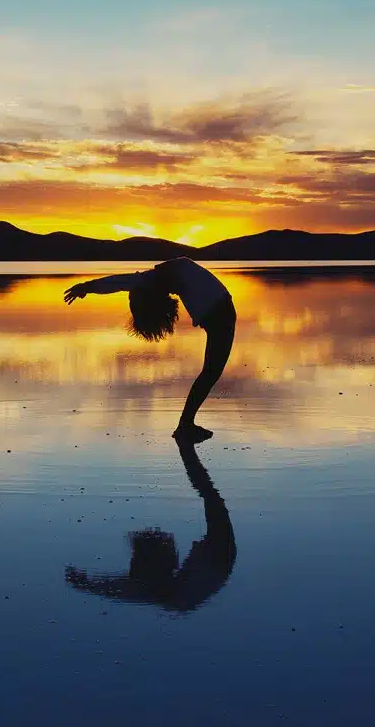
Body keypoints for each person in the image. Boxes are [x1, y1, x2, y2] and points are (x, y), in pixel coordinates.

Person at [64, 257, 236, 443]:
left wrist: (87, 287)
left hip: (220, 313)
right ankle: (185, 425)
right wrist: (87, 287)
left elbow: (120, 282)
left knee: (210, 373)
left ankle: (186, 425)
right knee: (210, 373)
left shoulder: (156, 277)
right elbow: (120, 282)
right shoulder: (163, 275)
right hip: (219, 314)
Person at [65, 438, 237, 612]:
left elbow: (123, 590)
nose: (132, 564)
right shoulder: (168, 593)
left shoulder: (163, 592)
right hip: (216, 563)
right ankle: (186, 445)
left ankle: (186, 445)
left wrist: (88, 585)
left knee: (210, 494)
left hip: (215, 565)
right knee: (210, 495)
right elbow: (124, 590)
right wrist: (88, 585)